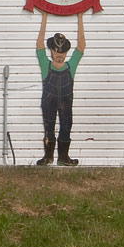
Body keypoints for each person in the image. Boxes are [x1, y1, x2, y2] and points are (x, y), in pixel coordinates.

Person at [35, 10, 85, 166]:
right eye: (56, 51)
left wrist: (80, 18)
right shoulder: (45, 64)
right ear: (51, 50)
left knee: (66, 127)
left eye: (62, 52)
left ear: (66, 52)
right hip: (48, 101)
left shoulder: (72, 65)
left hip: (66, 101)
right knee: (49, 128)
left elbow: (81, 46)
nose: (59, 54)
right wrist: (44, 18)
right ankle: (48, 157)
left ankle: (64, 157)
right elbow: (39, 44)